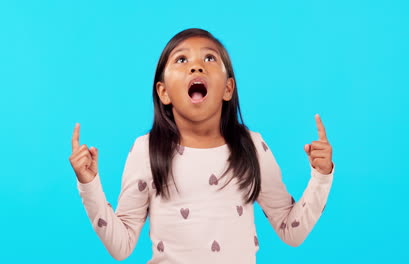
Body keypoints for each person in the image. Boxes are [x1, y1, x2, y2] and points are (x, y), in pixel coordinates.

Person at [69, 28, 335, 263]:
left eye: (209, 58)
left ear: (228, 88)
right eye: (181, 60)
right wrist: (89, 184)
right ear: (164, 92)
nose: (196, 67)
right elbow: (121, 246)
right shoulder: (146, 150)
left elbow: (292, 230)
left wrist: (321, 177)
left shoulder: (251, 146)